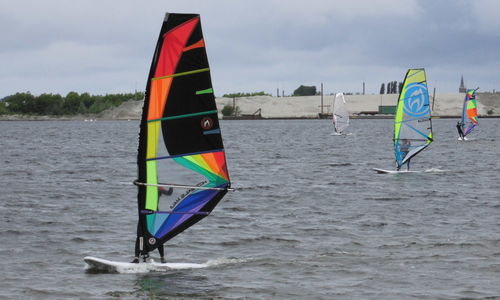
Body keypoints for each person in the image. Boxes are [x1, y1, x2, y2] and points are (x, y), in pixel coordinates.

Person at [131, 186, 173, 264]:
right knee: (140, 235)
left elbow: (169, 193)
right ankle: (136, 258)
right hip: (143, 215)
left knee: (158, 236)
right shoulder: (144, 187)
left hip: (154, 216)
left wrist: (171, 186)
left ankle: (162, 258)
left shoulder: (157, 188)